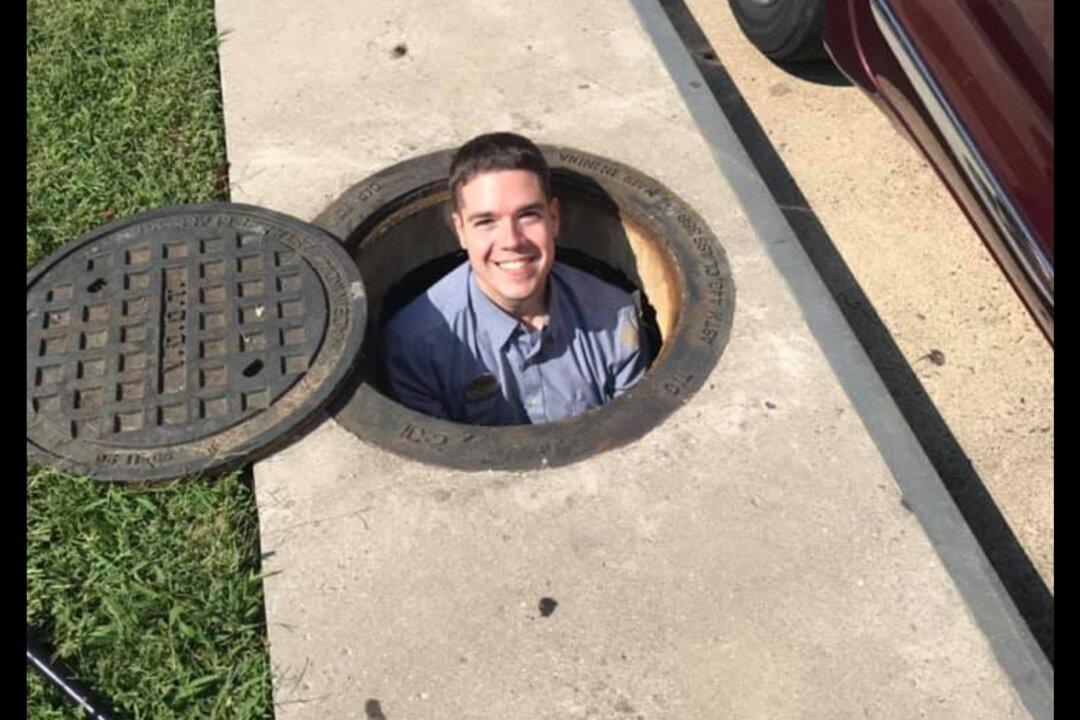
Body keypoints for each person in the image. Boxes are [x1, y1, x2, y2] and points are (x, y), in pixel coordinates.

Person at [381, 132, 649, 425]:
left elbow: (632, 437)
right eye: (486, 221)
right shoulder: (414, 344)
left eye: (528, 215)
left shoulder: (615, 316)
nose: (511, 241)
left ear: (554, 218)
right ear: (460, 231)